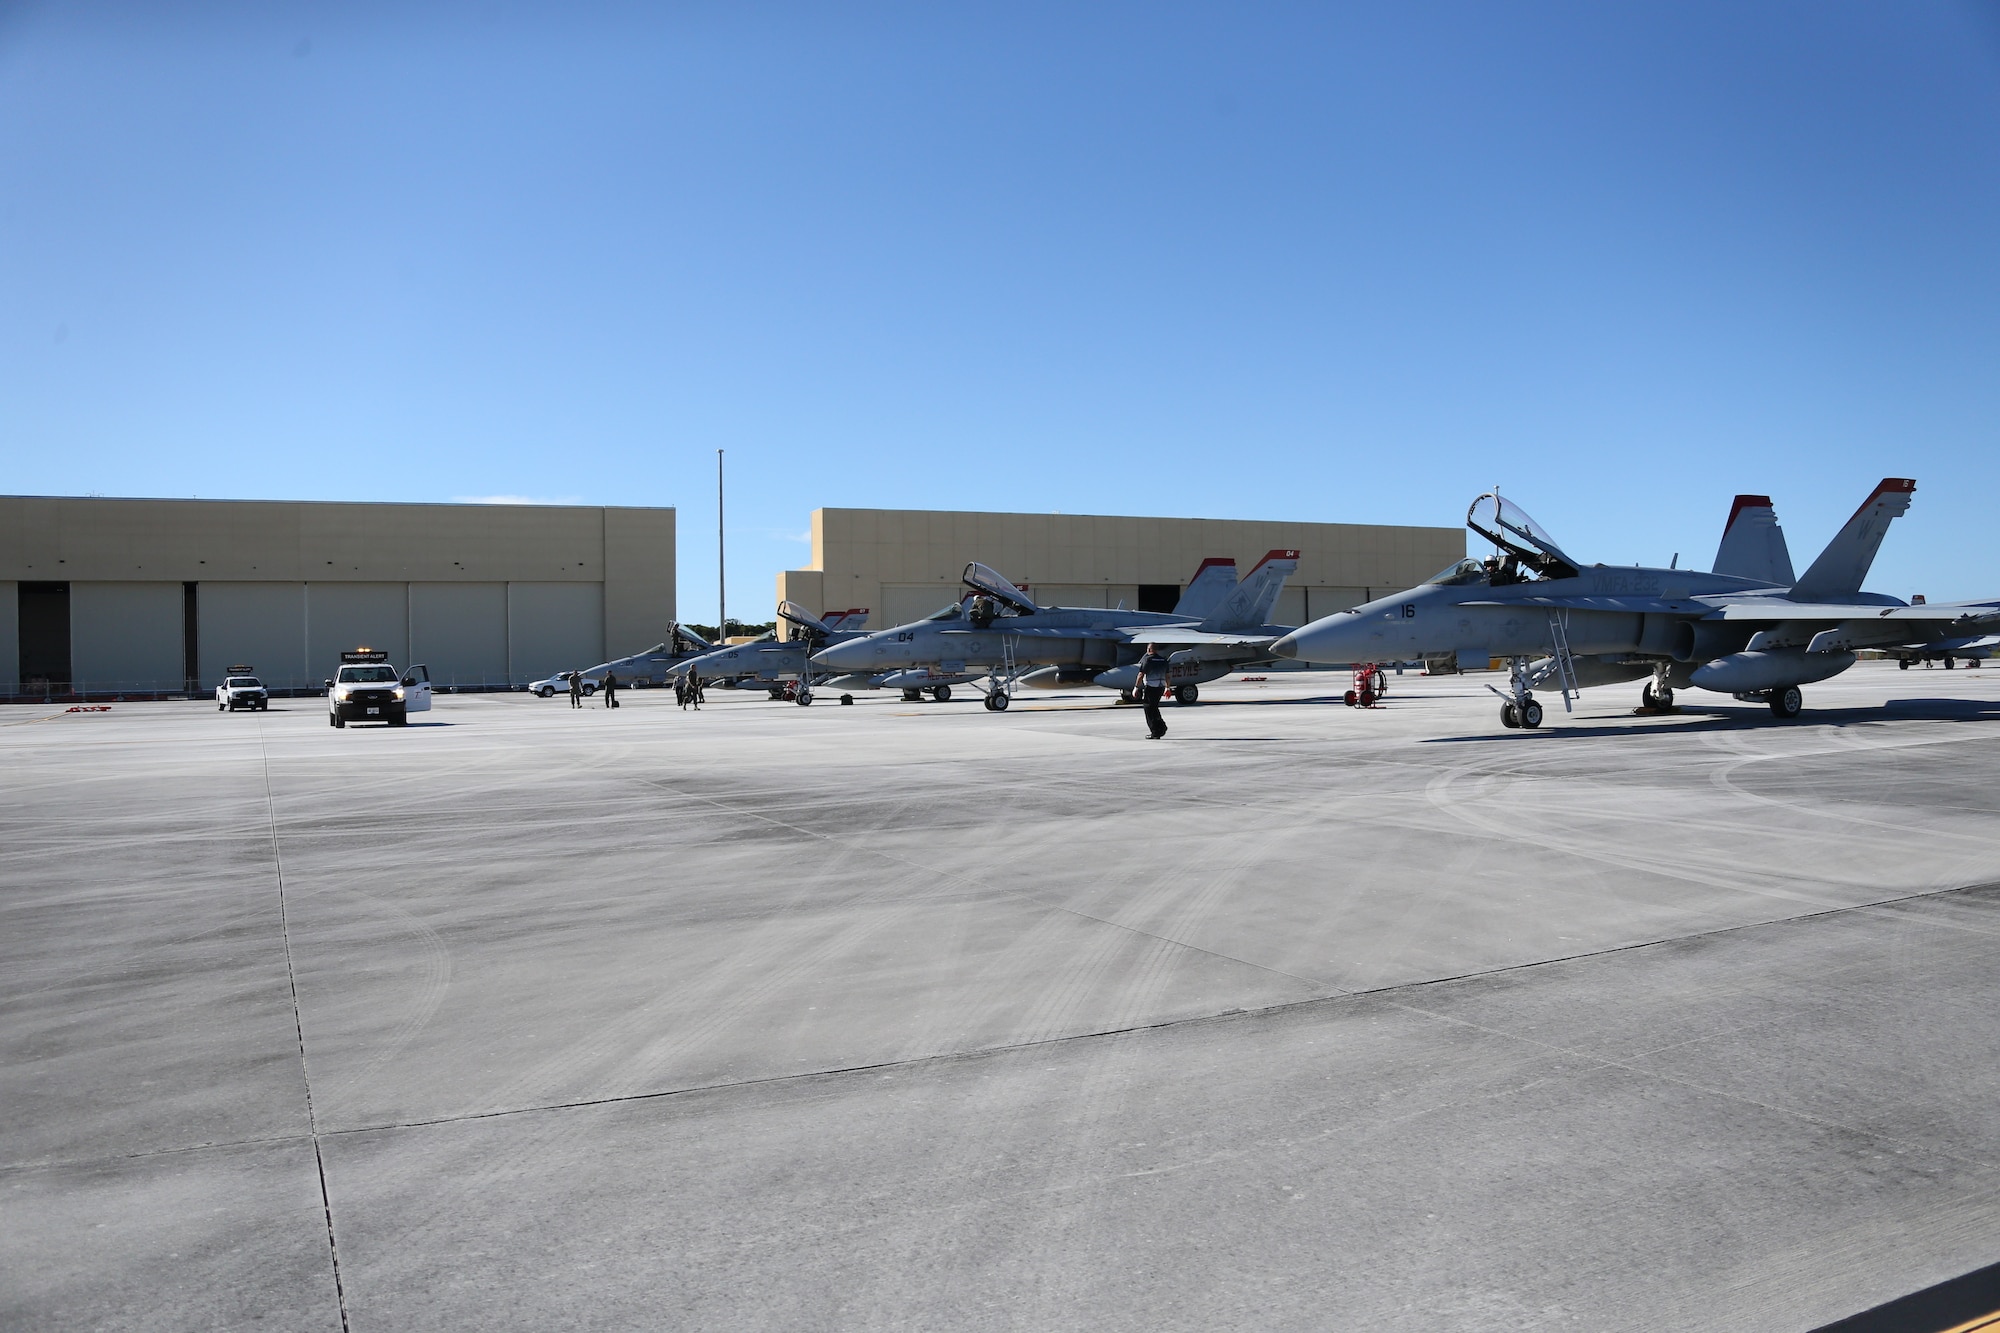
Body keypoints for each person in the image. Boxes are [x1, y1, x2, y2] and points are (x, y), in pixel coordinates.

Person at [1137, 643, 1170, 739]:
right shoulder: (1163, 660)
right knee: (1154, 707)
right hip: (1161, 687)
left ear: (1150, 649)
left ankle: (1156, 731)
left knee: (1148, 708)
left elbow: (1141, 674)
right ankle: (1161, 727)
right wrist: (1167, 688)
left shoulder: (1147, 659)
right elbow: (1167, 676)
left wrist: (1136, 687)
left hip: (1151, 686)